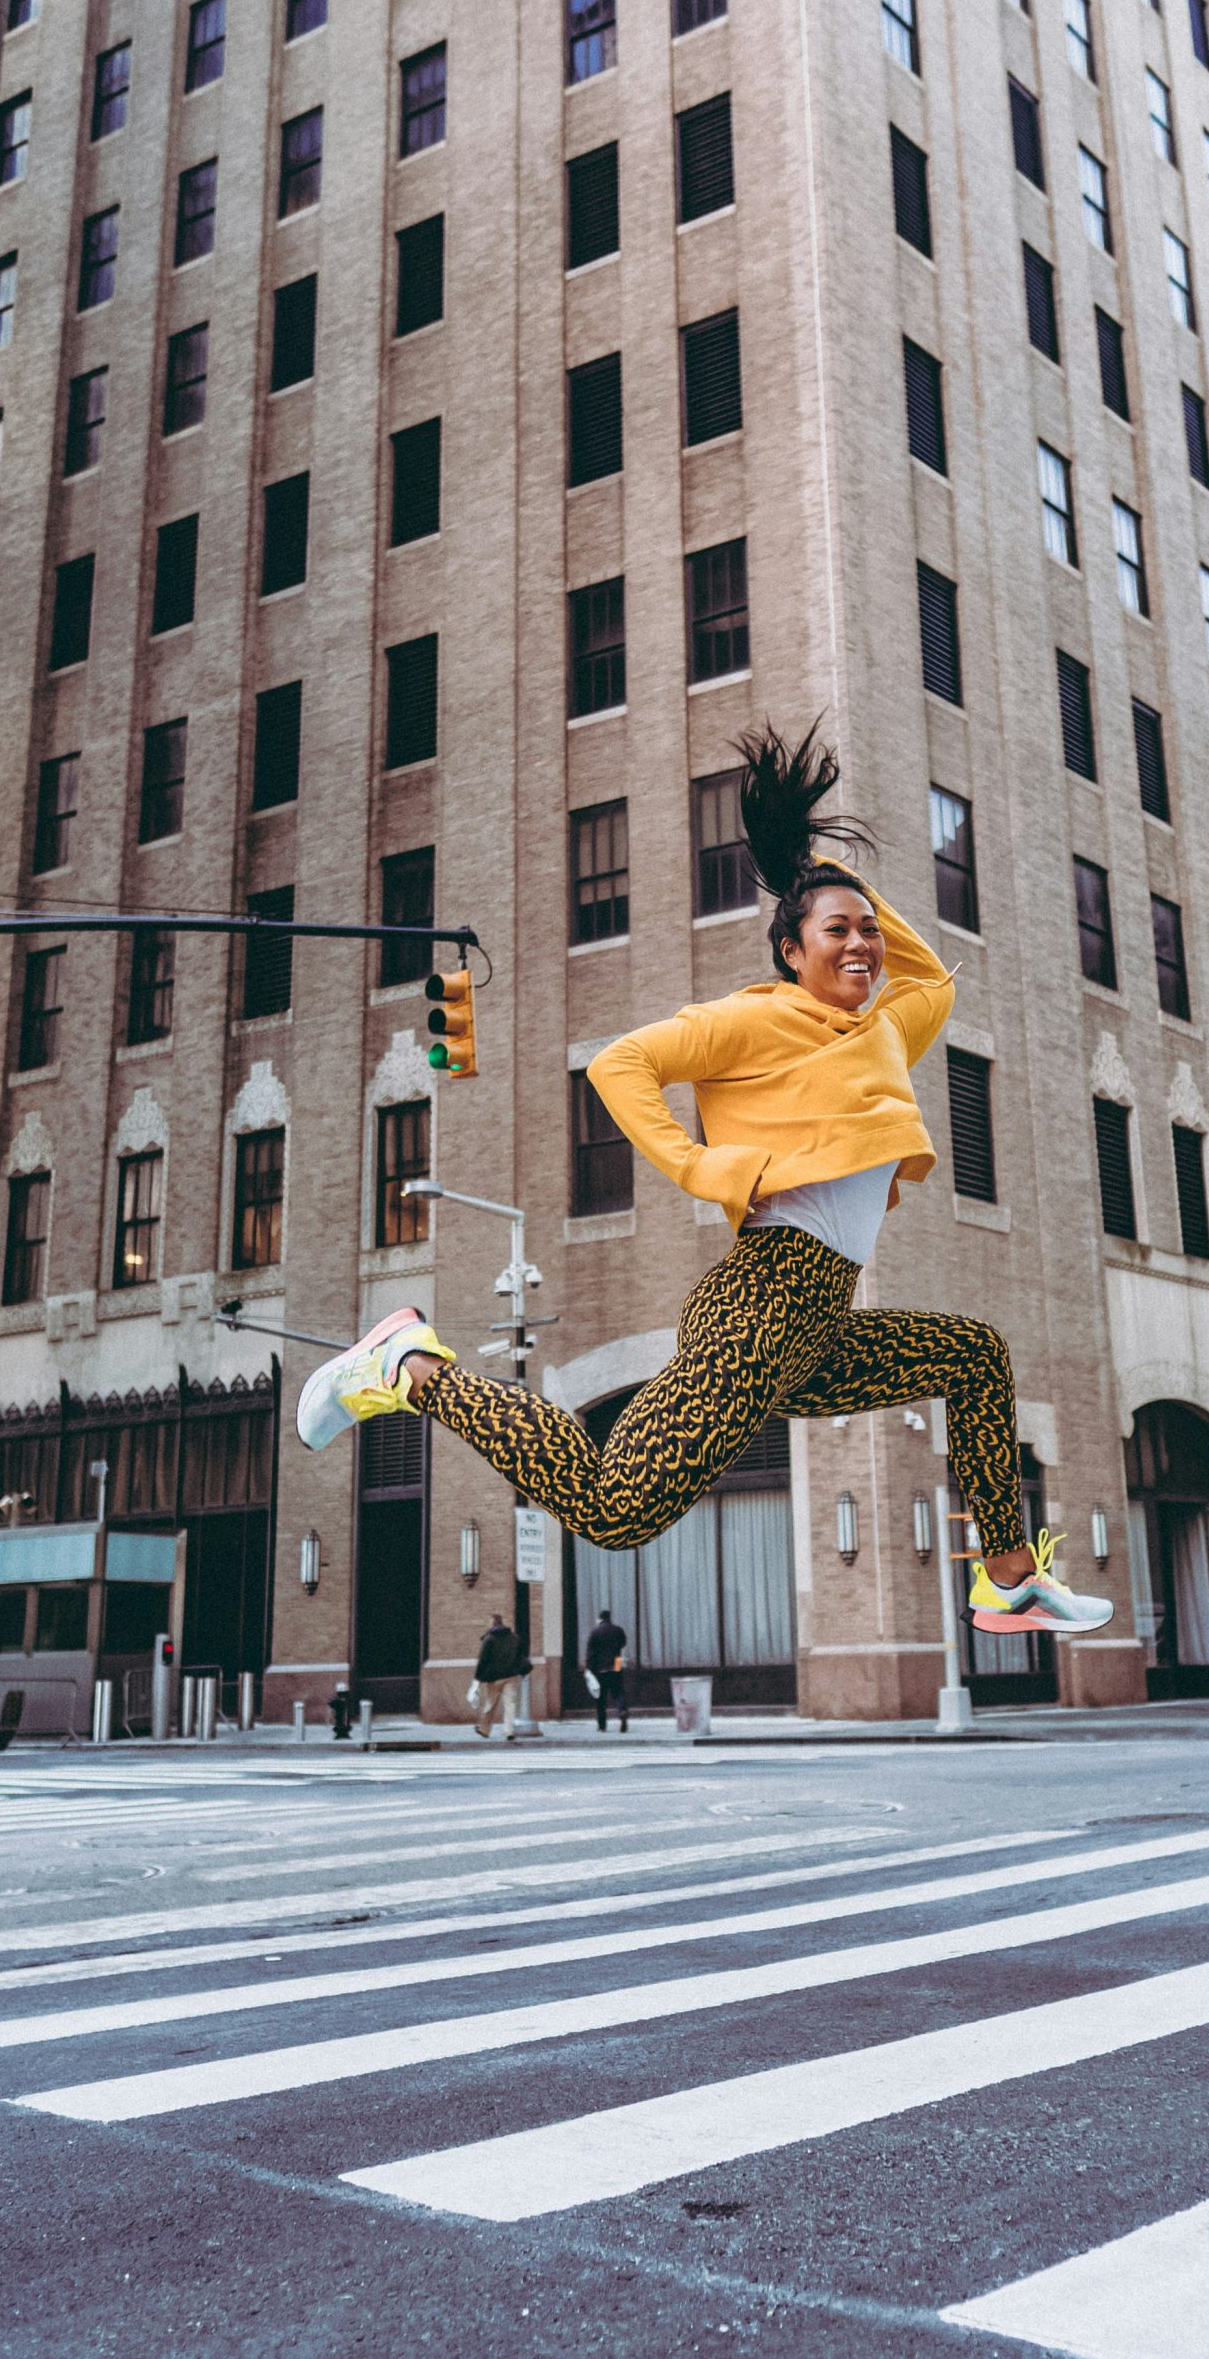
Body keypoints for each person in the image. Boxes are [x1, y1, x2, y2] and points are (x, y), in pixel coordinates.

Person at [296, 723, 1112, 1639]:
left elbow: (932, 979)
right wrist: (699, 1165)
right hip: (759, 1308)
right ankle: (407, 1367)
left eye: (867, 933)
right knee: (614, 1509)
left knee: (972, 1355)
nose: (862, 945)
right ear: (789, 954)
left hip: (815, 1325)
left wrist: (817, 874)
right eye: (835, 932)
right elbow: (621, 1063)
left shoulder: (881, 1031)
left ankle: (1004, 1579)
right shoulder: (755, 1020)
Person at [470, 1612, 526, 1740]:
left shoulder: (489, 1639)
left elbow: (483, 1660)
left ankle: (484, 1730)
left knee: (490, 1704)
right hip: (511, 1676)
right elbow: (520, 1655)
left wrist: (477, 1678)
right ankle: (509, 1731)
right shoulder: (513, 1637)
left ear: (492, 1623)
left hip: (494, 1678)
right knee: (510, 1704)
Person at [585, 1607, 630, 1733]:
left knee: (601, 1697)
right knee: (619, 1691)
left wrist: (589, 1668)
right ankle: (622, 1710)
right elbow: (623, 1643)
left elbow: (590, 1652)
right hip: (616, 1663)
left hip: (600, 1667)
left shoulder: (595, 1631)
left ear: (599, 1618)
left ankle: (602, 1725)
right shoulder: (618, 1630)